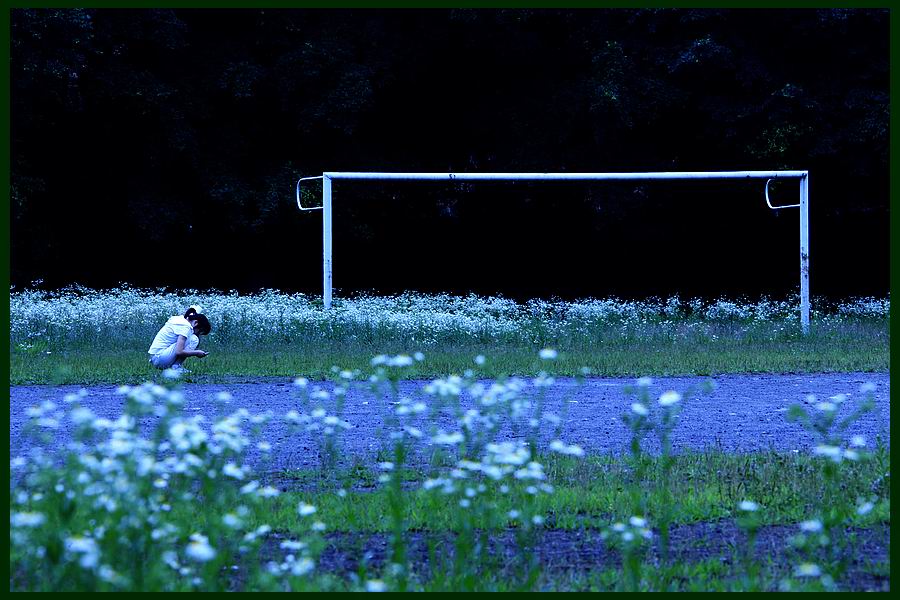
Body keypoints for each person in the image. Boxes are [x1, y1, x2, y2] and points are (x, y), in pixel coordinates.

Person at [148, 306, 211, 372]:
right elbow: (179, 351)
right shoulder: (185, 326)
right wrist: (197, 353)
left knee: (192, 338)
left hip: (156, 358)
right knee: (194, 339)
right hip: (161, 359)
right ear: (195, 323)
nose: (197, 334)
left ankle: (175, 367)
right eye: (199, 331)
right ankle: (176, 368)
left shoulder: (180, 320)